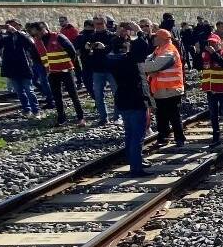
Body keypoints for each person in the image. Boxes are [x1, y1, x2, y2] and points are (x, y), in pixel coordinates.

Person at [110, 22, 152, 176]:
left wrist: (117, 35)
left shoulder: (112, 59)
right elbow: (143, 46)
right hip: (136, 99)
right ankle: (136, 167)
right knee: (137, 136)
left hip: (122, 99)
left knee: (129, 133)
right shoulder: (130, 59)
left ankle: (133, 160)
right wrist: (138, 31)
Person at [28, 21, 85, 127]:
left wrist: (68, 65)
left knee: (73, 95)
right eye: (33, 35)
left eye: (36, 33)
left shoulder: (58, 37)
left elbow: (72, 52)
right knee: (57, 96)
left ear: (43, 29)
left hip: (65, 71)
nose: (35, 36)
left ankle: (80, 117)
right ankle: (61, 119)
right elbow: (36, 56)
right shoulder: (37, 42)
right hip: (52, 73)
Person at [140, 28, 186, 147]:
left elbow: (153, 65)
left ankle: (179, 138)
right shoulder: (158, 50)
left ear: (162, 38)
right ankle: (163, 137)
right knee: (161, 115)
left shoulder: (170, 50)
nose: (153, 39)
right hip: (161, 89)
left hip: (172, 89)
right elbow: (148, 63)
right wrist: (150, 69)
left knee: (173, 115)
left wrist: (149, 68)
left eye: (155, 37)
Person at [80, 14, 119, 125]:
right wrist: (86, 48)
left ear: (105, 23)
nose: (98, 26)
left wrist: (104, 47)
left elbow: (115, 51)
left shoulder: (112, 36)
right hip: (97, 70)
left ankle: (117, 117)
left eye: (100, 23)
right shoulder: (90, 36)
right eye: (95, 24)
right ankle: (103, 118)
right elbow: (83, 52)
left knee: (117, 94)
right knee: (98, 96)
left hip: (111, 69)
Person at [0, 20, 41, 118]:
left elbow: (30, 44)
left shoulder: (23, 35)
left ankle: (36, 111)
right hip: (12, 68)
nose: (12, 27)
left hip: (24, 67)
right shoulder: (6, 37)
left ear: (19, 26)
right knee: (19, 91)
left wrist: (16, 32)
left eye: (15, 25)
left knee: (29, 90)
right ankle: (26, 110)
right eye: (10, 26)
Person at [201, 33, 223, 145]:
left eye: (214, 43)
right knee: (213, 115)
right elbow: (197, 65)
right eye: (210, 43)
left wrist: (214, 54)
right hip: (211, 90)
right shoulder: (206, 55)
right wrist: (199, 52)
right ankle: (216, 138)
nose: (212, 45)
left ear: (219, 43)